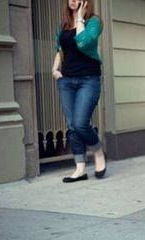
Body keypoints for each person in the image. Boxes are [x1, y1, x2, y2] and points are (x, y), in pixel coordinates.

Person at [53, 0, 106, 183]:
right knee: (72, 126)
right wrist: (55, 69)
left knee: (81, 122)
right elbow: (60, 49)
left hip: (88, 79)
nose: (73, 0)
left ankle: (98, 151)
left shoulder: (94, 22)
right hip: (66, 80)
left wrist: (81, 19)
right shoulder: (64, 24)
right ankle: (80, 168)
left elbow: (83, 43)